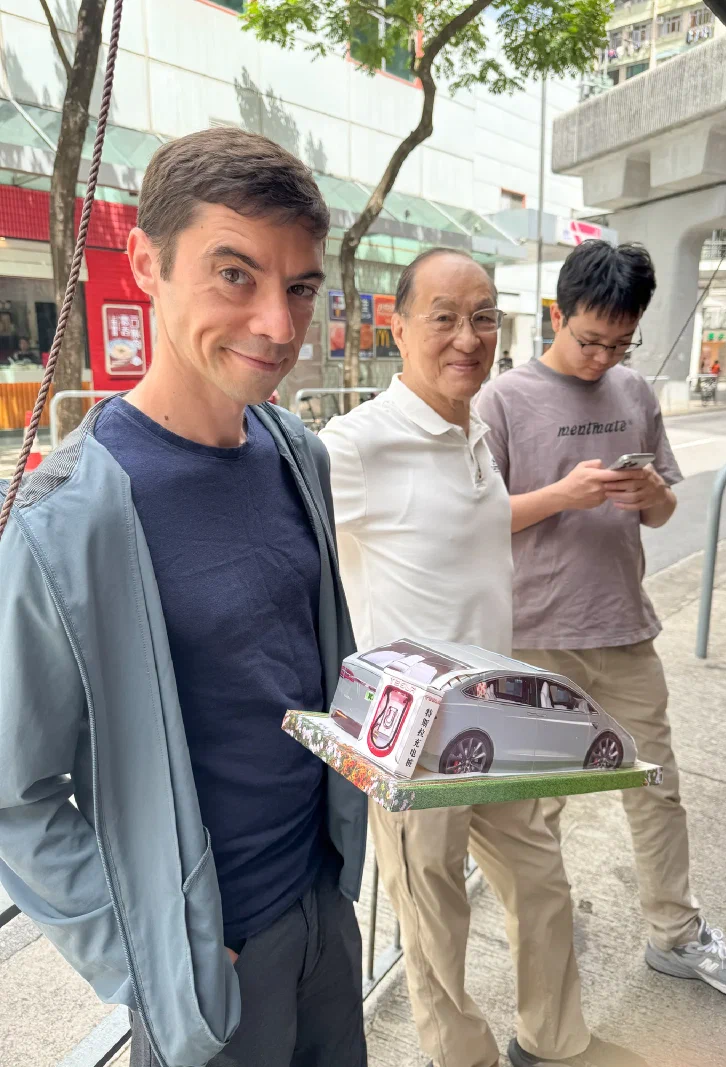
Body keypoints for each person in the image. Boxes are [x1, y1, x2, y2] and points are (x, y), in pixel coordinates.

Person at [0, 128, 367, 1067]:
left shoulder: (299, 453)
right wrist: (157, 956)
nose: (279, 327)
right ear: (146, 263)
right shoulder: (62, 519)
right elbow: (14, 794)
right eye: (234, 275)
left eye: (297, 287)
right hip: (212, 968)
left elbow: (303, 666)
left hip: (326, 908)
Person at [477, 240, 726, 1064]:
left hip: (624, 626)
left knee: (658, 789)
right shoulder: (503, 399)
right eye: (589, 341)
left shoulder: (636, 392)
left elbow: (666, 512)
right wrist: (561, 495)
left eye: (619, 344)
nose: (603, 357)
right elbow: (478, 518)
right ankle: (546, 928)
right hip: (535, 636)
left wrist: (652, 494)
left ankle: (673, 932)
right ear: (558, 314)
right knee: (536, 812)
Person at [321, 248, 591, 1067]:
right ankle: (462, 1058)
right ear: (398, 326)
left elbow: (466, 537)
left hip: (501, 720)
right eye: (443, 316)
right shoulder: (357, 445)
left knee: (543, 885)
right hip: (416, 740)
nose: (467, 337)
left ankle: (553, 1042)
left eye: (483, 317)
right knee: (434, 925)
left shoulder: (473, 431)